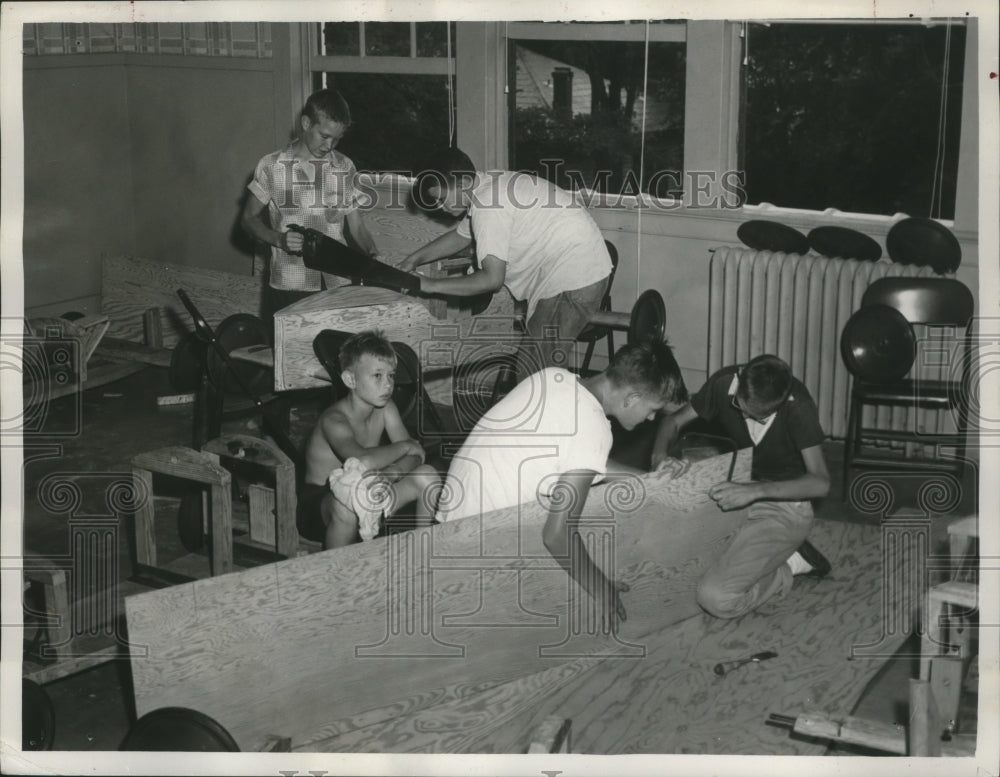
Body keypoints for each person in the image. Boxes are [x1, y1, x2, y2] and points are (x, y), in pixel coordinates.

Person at [435, 340, 689, 630]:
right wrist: (600, 587)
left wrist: (648, 479)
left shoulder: (554, 377)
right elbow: (557, 535)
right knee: (567, 596)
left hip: (451, 514)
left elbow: (583, 460)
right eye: (652, 409)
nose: (652, 418)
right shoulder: (592, 427)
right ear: (631, 399)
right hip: (476, 544)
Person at [400, 147, 613, 382]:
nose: (440, 207)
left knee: (533, 377)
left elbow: (491, 279)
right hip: (581, 273)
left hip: (573, 280)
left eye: (441, 198)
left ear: (461, 182)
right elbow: (463, 235)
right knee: (539, 375)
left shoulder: (488, 203)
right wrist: (414, 259)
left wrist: (430, 285)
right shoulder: (489, 184)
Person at [650, 354, 832, 619]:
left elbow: (821, 483)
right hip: (739, 484)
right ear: (740, 379)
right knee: (678, 558)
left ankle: (791, 565)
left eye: (757, 417)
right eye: (740, 405)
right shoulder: (725, 383)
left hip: (784, 504)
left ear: (778, 405)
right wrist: (659, 456)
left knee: (715, 598)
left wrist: (755, 491)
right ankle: (769, 550)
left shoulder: (798, 406)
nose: (743, 415)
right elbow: (672, 421)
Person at [241, 88, 380, 317]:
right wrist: (278, 239)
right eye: (324, 136)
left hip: (338, 281)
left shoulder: (344, 166)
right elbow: (247, 219)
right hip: (291, 282)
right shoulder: (272, 165)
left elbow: (357, 226)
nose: (329, 146)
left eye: (337, 139)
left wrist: (373, 254)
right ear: (306, 123)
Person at [299, 331, 440, 549]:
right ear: (350, 379)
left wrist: (392, 472)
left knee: (428, 476)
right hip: (320, 506)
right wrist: (405, 445)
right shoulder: (334, 420)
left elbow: (417, 456)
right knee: (345, 506)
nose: (387, 385)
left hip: (369, 488)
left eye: (391, 376)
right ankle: (337, 575)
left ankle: (422, 553)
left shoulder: (386, 408)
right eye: (377, 376)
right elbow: (362, 460)